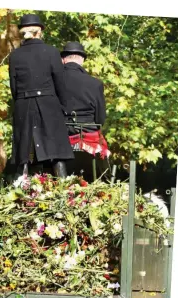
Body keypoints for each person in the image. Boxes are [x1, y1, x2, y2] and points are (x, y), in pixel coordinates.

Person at [9, 14, 74, 178]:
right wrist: (65, 108)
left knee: (23, 153)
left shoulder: (15, 55)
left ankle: (20, 191)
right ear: (39, 32)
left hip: (23, 105)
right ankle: (64, 191)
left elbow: (14, 88)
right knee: (57, 151)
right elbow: (61, 83)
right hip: (49, 104)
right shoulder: (52, 52)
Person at [60, 41, 110, 180]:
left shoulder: (52, 81)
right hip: (88, 135)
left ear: (63, 59)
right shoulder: (95, 83)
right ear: (81, 60)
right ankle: (104, 180)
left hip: (60, 135)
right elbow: (100, 118)